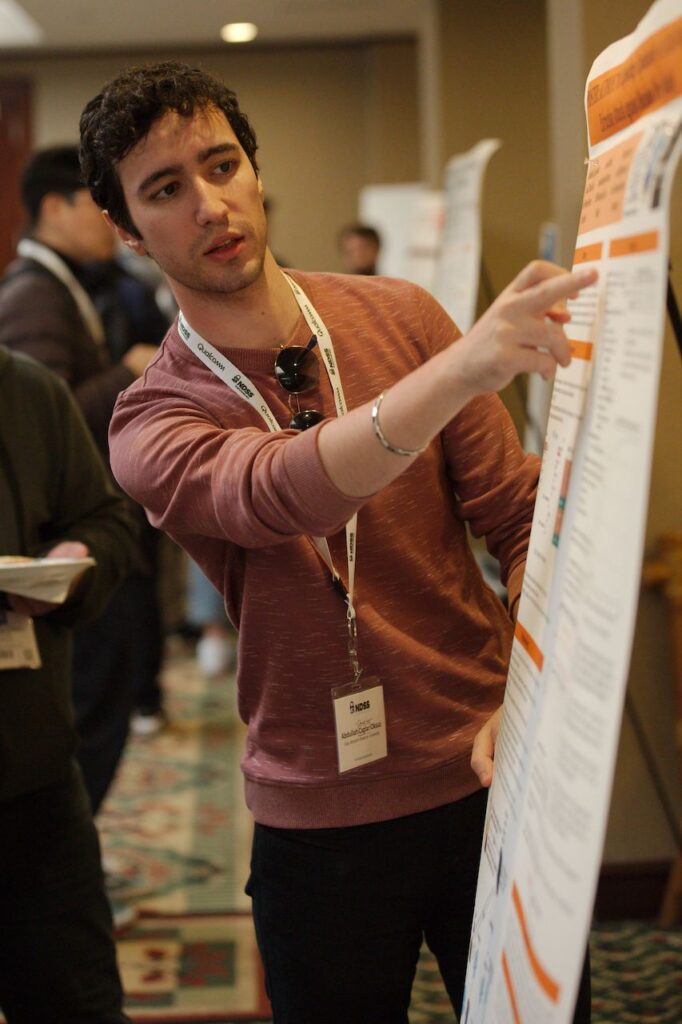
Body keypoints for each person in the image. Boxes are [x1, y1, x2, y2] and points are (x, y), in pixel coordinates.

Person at [79, 61, 595, 1023]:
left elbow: (525, 523)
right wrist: (455, 374)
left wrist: (528, 691)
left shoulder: (401, 317)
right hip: (321, 818)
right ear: (126, 229)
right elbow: (284, 490)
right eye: (165, 190)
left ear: (254, 168)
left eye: (221, 165)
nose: (209, 204)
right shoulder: (149, 419)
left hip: (490, 772)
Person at [0, 146, 162, 802]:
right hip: (55, 548)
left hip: (89, 529)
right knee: (90, 715)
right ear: (54, 207)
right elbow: (45, 428)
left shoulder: (60, 284)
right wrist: (127, 372)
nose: (108, 220)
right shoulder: (33, 293)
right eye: (94, 205)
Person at [0, 345, 135, 1023]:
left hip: (32, 777)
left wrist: (73, 558)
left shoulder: (25, 388)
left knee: (77, 1003)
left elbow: (107, 519)